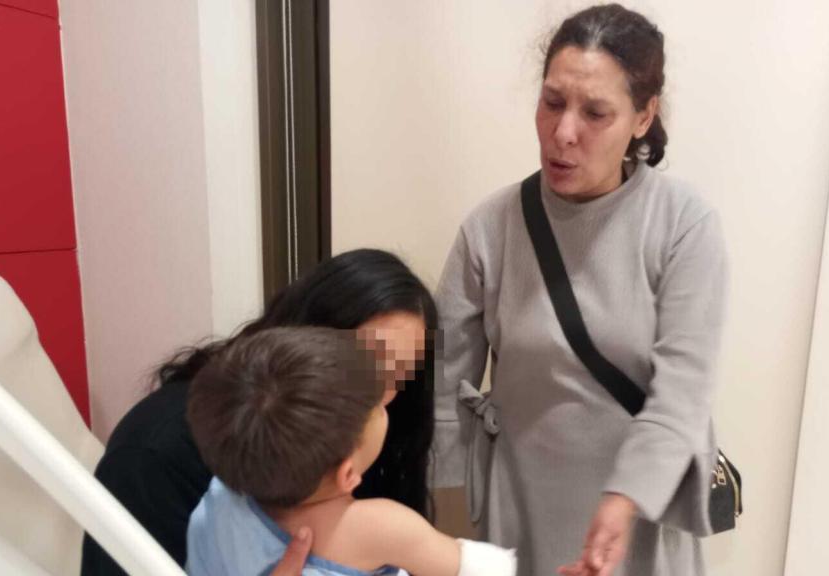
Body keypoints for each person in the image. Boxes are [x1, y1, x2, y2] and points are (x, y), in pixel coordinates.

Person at [433, 5, 728, 576]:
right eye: (552, 102)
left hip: (638, 520)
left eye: (595, 112)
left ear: (643, 117)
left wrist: (623, 502)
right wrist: (444, 526)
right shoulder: (489, 229)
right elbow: (443, 387)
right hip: (518, 511)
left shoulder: (683, 225)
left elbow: (684, 393)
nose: (563, 132)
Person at [81, 249, 438, 575]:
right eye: (362, 363)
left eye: (398, 375)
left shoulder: (363, 434)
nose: (378, 392)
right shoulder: (158, 456)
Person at [185, 327, 516, 576]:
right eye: (376, 405)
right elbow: (491, 569)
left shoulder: (217, 503)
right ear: (347, 474)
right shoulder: (377, 527)